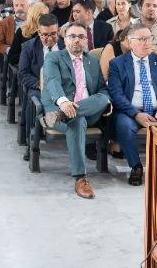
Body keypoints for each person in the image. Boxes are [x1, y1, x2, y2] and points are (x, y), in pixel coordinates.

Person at [39, 22, 111, 199]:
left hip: (79, 112)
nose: (76, 40)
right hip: (59, 107)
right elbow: (53, 82)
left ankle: (59, 117)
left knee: (103, 98)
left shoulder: (93, 61)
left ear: (86, 40)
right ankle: (80, 178)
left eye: (81, 36)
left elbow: (102, 89)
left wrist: (106, 103)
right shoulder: (54, 58)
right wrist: (63, 103)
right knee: (77, 121)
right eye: (72, 36)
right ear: (65, 39)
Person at [107, 24, 157, 186]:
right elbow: (116, 95)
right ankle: (136, 167)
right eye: (142, 39)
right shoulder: (117, 64)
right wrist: (136, 114)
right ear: (130, 43)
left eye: (150, 38)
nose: (148, 43)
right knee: (124, 124)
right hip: (130, 111)